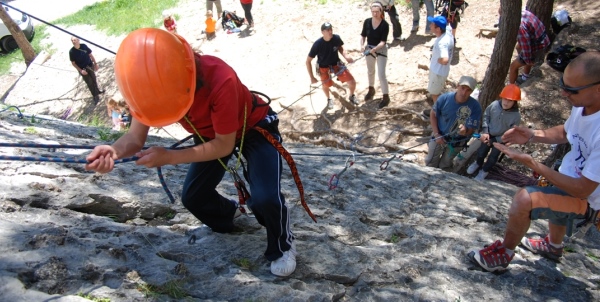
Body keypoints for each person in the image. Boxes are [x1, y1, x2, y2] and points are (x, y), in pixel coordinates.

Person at [85, 28, 297, 277]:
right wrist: (113, 150)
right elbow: (134, 137)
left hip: (253, 127)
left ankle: (283, 244)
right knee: (194, 197)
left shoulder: (220, 79)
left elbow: (223, 146)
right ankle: (229, 215)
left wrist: (170, 157)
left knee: (264, 198)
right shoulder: (149, 82)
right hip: (209, 133)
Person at [469, 52, 600, 272]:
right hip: (569, 177)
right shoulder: (583, 106)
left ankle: (503, 255)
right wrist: (532, 134)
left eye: (572, 90)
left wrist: (533, 164)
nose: (563, 93)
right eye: (562, 84)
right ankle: (553, 246)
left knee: (524, 199)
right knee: (553, 189)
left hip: (589, 199)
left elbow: (582, 188)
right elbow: (566, 132)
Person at [425, 75, 481, 170]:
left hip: (457, 141)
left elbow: (471, 129)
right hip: (439, 134)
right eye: (462, 88)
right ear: (458, 86)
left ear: (471, 92)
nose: (464, 93)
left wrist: (465, 131)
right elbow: (433, 114)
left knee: (445, 165)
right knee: (430, 162)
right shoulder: (444, 98)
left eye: (468, 90)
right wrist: (436, 133)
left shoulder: (475, 107)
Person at [467, 84, 522, 181]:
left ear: (515, 102)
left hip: (501, 139)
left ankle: (484, 170)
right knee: (481, 152)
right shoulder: (494, 105)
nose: (506, 102)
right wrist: (485, 131)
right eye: (505, 99)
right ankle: (478, 163)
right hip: (488, 134)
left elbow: (511, 132)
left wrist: (496, 140)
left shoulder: (516, 116)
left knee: (493, 157)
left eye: (510, 101)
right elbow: (486, 116)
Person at [306, 22, 357, 110]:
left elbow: (340, 47)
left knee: (352, 81)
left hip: (336, 64)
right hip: (323, 66)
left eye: (331, 29)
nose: (330, 32)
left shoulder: (336, 38)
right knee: (326, 85)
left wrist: (346, 56)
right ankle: (329, 99)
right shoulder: (317, 44)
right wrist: (312, 77)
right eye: (327, 30)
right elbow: (308, 61)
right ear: (323, 32)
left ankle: (352, 96)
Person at [507, 9, 550, 85]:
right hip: (542, 38)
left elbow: (527, 47)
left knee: (513, 66)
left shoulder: (519, 27)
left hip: (538, 46)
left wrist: (528, 61)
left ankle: (511, 88)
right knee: (518, 47)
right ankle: (525, 77)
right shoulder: (521, 12)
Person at [361, 2, 391, 109]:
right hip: (369, 49)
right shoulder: (367, 22)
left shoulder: (385, 25)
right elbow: (363, 35)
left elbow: (383, 41)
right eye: (373, 12)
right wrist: (362, 46)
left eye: (377, 12)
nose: (374, 14)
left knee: (381, 74)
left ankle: (386, 96)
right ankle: (371, 89)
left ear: (381, 12)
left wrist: (374, 49)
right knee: (370, 71)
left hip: (380, 50)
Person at [427, 15, 454, 104]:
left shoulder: (442, 43)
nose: (430, 25)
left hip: (437, 73)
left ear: (438, 29)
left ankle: (437, 113)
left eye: (432, 24)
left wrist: (438, 60)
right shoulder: (448, 33)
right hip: (440, 72)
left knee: (435, 94)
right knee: (435, 92)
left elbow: (445, 60)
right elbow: (449, 26)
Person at [69, 36, 103, 104]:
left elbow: (90, 54)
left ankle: (97, 90)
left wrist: (95, 63)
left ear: (78, 40)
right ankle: (95, 95)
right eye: (72, 40)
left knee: (94, 78)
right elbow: (73, 63)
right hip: (83, 69)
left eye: (75, 40)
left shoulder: (84, 46)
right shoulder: (72, 52)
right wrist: (80, 70)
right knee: (89, 82)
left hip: (90, 66)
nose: (73, 41)